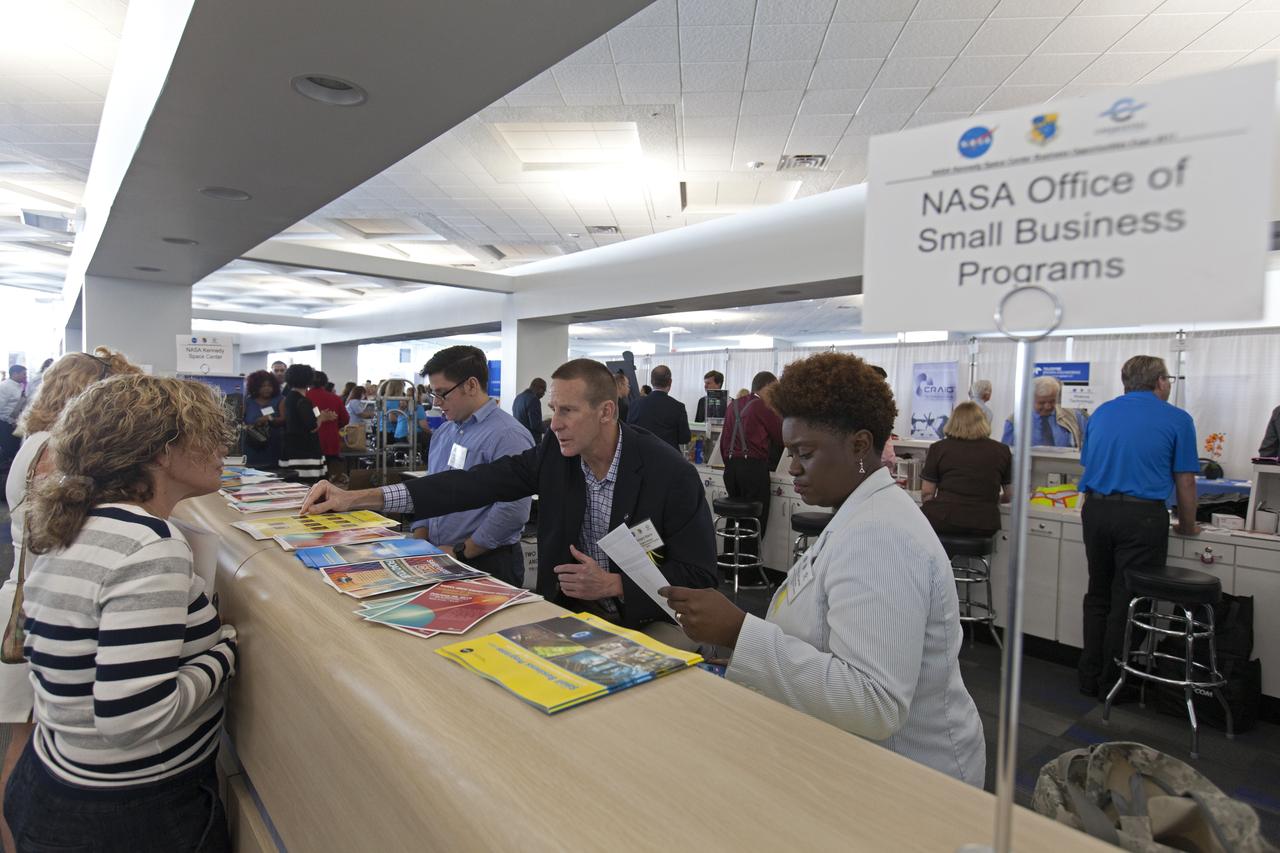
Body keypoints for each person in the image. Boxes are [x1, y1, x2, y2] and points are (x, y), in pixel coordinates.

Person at [658, 352, 985, 786]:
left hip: (914, 781)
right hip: (867, 764)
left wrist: (740, 632)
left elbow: (874, 701)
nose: (792, 467)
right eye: (790, 452)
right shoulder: (859, 513)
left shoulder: (881, 536)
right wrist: (740, 647)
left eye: (805, 454)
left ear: (859, 445)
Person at [300, 358, 718, 629]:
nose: (554, 424)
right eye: (554, 410)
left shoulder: (670, 474)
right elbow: (468, 485)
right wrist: (354, 499)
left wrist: (614, 584)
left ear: (606, 412)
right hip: (571, 613)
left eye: (568, 411)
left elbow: (701, 577)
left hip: (649, 618)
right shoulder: (557, 453)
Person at [6, 374, 238, 851]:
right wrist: (225, 653)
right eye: (208, 436)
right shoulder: (149, 546)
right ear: (160, 452)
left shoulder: (78, 520)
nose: (223, 452)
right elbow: (132, 719)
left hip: (58, 777)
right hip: (128, 813)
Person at [2, 349, 140, 726]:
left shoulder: (40, 439)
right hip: (40, 604)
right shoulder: (55, 450)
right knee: (33, 736)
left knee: (32, 733)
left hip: (36, 594)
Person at [1076, 355, 1200, 700]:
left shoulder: (1101, 413)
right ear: (1160, 382)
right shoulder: (1177, 419)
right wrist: (1189, 526)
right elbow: (1186, 481)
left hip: (1097, 510)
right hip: (1142, 516)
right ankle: (1112, 682)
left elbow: (1089, 461)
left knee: (1097, 593)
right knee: (1129, 600)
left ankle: (1088, 675)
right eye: (1169, 379)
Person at [403, 346, 534, 587]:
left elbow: (513, 509)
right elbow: (430, 489)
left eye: (442, 393)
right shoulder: (444, 432)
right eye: (433, 394)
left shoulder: (508, 436)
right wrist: (420, 539)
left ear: (471, 385)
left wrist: (463, 551)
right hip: (438, 554)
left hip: (486, 561)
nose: (437, 403)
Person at [920, 401, 1013, 538]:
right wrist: (992, 500)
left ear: (953, 422)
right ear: (983, 422)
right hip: (984, 524)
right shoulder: (1002, 451)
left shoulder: (938, 448)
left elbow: (927, 493)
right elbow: (1010, 494)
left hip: (943, 520)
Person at [721, 371, 783, 566]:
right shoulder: (762, 406)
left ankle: (731, 569)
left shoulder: (733, 405)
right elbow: (781, 435)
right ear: (768, 387)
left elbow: (724, 440)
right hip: (753, 468)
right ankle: (748, 572)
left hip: (731, 468)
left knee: (735, 518)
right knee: (754, 519)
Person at [1001, 376, 1085, 448]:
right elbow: (1007, 451)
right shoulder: (1015, 421)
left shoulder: (1074, 416)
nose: (1047, 406)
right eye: (1042, 403)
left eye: (1052, 401)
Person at [280, 364, 331, 481]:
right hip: (305, 450)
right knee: (307, 485)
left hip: (290, 447)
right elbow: (312, 427)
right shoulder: (303, 400)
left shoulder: (288, 397)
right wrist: (321, 418)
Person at [626, 365, 691, 451]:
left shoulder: (635, 404)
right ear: (670, 382)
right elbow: (684, 438)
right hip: (669, 458)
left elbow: (629, 432)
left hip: (641, 457)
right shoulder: (678, 407)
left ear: (651, 381)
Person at [307, 370, 350, 475]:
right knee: (327, 474)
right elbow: (345, 419)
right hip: (330, 440)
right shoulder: (335, 398)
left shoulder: (305, 397)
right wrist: (334, 425)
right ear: (325, 382)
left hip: (310, 441)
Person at [242, 369, 284, 467]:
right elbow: (241, 420)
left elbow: (284, 419)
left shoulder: (280, 399)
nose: (267, 388)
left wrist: (269, 419)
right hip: (252, 445)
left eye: (269, 385)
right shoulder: (248, 401)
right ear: (255, 387)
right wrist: (249, 426)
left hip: (273, 446)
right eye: (263, 386)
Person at [0, 364, 28, 476]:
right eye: (23, 374)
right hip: (5, 423)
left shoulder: (19, 386)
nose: (25, 376)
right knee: (9, 450)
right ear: (15, 374)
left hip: (15, 423)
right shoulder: (4, 386)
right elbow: (1, 407)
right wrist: (9, 420)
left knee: (16, 448)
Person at [512, 377, 546, 443]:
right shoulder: (534, 400)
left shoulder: (518, 397)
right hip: (531, 440)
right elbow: (535, 425)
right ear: (540, 389)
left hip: (519, 438)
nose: (543, 394)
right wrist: (548, 429)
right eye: (544, 391)